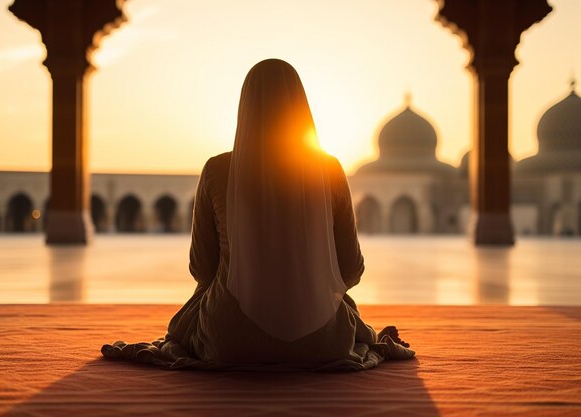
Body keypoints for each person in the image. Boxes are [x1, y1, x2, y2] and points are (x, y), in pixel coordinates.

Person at [102, 59, 415, 370]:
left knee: (188, 320)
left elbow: (201, 268)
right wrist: (306, 289)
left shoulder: (217, 170)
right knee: (344, 311)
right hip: (324, 344)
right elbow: (351, 270)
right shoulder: (329, 170)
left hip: (230, 341)